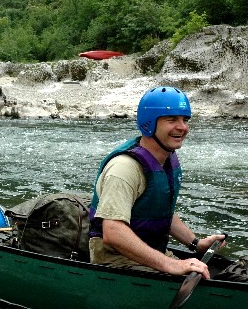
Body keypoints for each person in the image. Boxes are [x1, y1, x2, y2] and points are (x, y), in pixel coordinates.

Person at [88, 86, 226, 279]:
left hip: (149, 252)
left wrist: (195, 243)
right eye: (172, 120)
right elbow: (113, 233)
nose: (183, 127)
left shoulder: (166, 160)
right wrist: (172, 265)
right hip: (115, 259)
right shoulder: (124, 168)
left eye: (185, 120)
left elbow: (160, 211)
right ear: (149, 123)